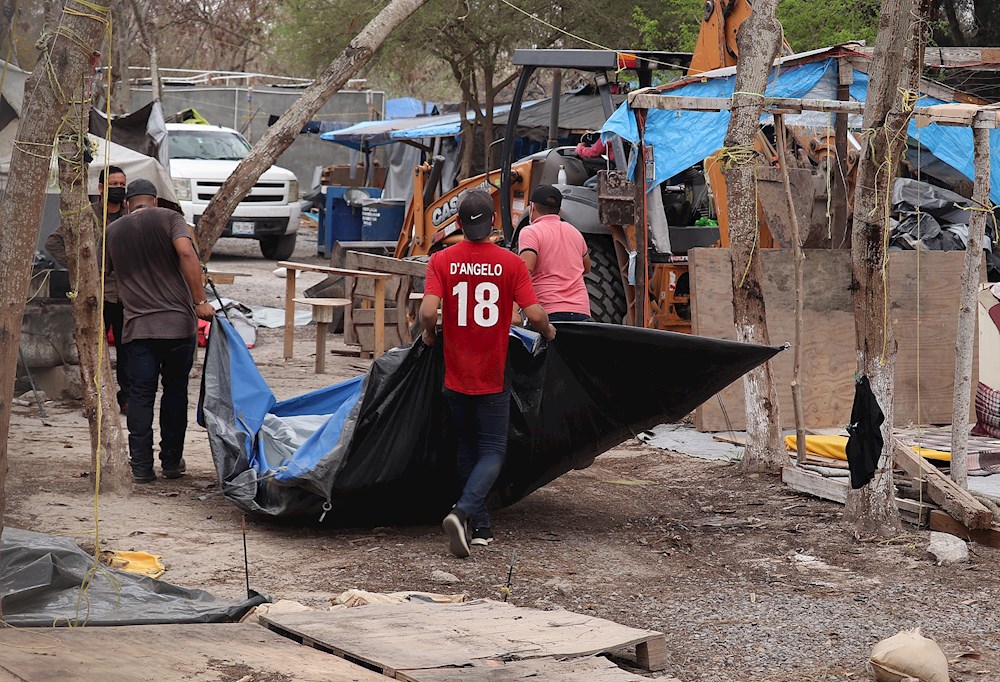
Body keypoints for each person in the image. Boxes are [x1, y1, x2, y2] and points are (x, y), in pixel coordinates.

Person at [419, 189, 556, 558]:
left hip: (455, 375)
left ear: (459, 224)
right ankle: (462, 512)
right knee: (493, 449)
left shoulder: (441, 261)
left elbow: (428, 312)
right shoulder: (510, 264)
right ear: (493, 223)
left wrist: (430, 335)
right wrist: (549, 333)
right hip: (493, 373)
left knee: (467, 447)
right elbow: (536, 314)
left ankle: (479, 528)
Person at [106, 179, 215, 483]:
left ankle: (141, 467)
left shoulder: (113, 231)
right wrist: (200, 301)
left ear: (128, 204)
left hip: (138, 330)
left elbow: (102, 273)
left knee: (140, 396)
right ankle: (171, 462)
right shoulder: (170, 218)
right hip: (179, 327)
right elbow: (186, 253)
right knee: (175, 392)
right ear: (153, 201)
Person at [45, 165, 131, 412]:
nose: (118, 189)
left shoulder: (130, 215)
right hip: (95, 294)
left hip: (126, 295)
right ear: (101, 187)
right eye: (113, 185)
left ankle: (125, 399)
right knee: (95, 350)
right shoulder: (88, 214)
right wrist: (80, 268)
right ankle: (96, 400)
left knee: (128, 351)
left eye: (121, 184)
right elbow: (53, 242)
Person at [517, 185, 592, 322]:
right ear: (560, 211)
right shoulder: (575, 232)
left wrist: (514, 308)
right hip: (581, 311)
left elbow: (525, 271)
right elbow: (586, 268)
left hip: (548, 312)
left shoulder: (530, 232)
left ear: (532, 207)